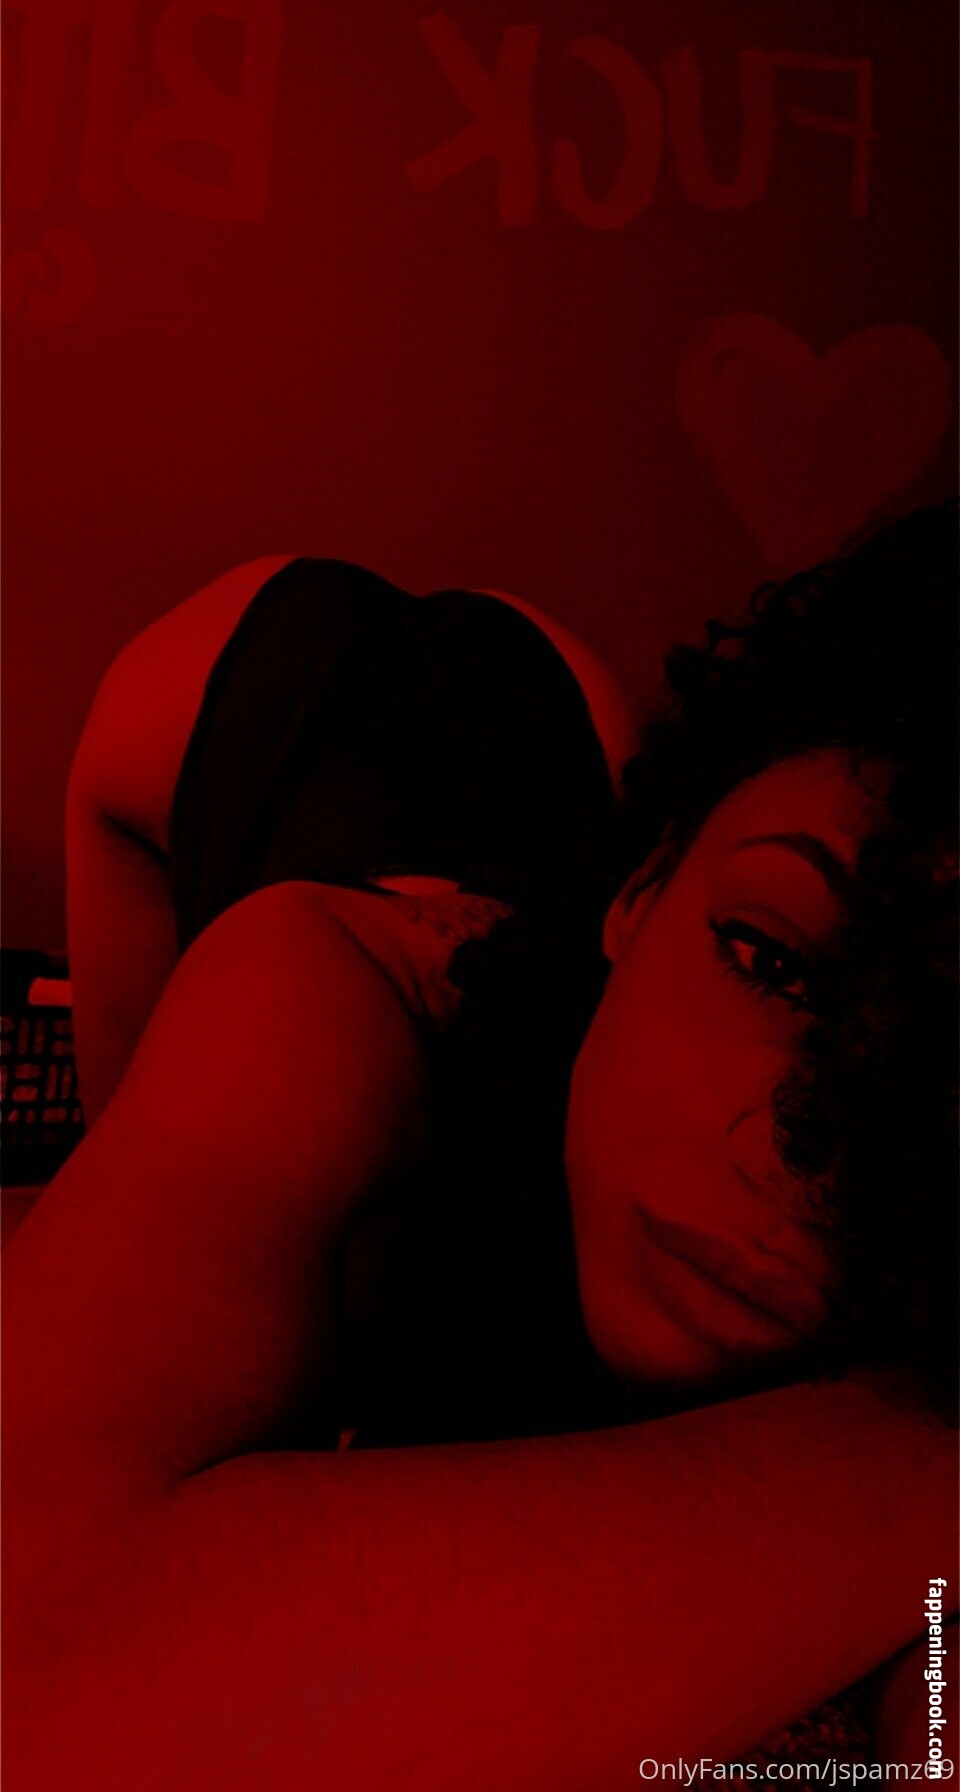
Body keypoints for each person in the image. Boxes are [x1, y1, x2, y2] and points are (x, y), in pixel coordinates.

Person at [5, 506, 958, 1791]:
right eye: (768, 961)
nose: (782, 1154)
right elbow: (42, 1664)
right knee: (134, 1195)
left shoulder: (894, 1184)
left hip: (560, 736)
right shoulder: (337, 985)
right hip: (234, 688)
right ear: (642, 892)